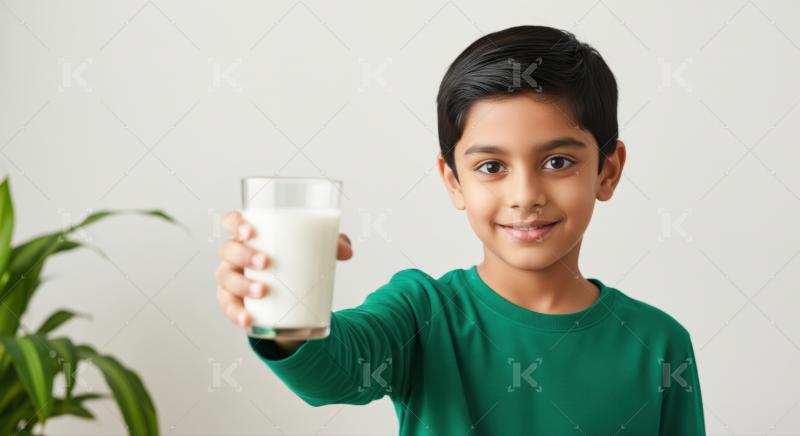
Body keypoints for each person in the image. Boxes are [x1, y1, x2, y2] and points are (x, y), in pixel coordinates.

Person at [214, 24, 706, 435]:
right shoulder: (421, 314)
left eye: (557, 162)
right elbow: (333, 374)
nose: (524, 195)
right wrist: (283, 308)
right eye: (492, 167)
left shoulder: (659, 345)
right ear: (453, 181)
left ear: (608, 170)